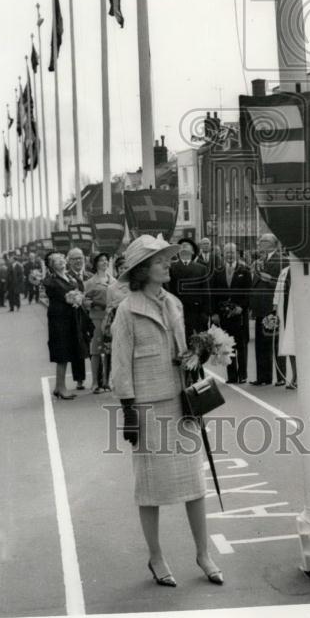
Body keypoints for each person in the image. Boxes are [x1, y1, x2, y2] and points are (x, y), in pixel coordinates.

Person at [111, 234, 223, 588]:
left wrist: (197, 356)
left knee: (194, 483)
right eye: (160, 261)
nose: (167, 265)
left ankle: (203, 553)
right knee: (150, 488)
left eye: (166, 260)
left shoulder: (174, 303)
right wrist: (128, 410)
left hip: (180, 403)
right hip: (147, 408)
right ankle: (156, 557)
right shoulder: (127, 310)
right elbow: (120, 365)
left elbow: (181, 351)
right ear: (143, 270)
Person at [43, 251, 87, 400]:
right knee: (62, 352)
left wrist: (79, 298)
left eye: (62, 258)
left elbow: (79, 289)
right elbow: (60, 293)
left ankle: (58, 386)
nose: (61, 261)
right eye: (56, 260)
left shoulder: (69, 277)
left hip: (70, 318)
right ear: (51, 265)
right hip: (59, 319)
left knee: (67, 351)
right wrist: (72, 298)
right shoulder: (51, 280)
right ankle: (61, 388)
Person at [210, 242, 251, 384]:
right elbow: (213, 294)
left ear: (237, 254)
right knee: (226, 345)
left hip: (239, 314)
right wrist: (214, 313)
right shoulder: (217, 271)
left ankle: (243, 375)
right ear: (223, 254)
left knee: (242, 345)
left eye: (232, 252)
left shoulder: (245, 270)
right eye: (227, 252)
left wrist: (242, 307)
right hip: (223, 316)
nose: (230, 255)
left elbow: (248, 292)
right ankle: (232, 376)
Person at [249, 234, 285, 385]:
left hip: (272, 306)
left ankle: (281, 376)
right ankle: (263, 377)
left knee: (275, 343)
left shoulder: (281, 260)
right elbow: (254, 284)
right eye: (260, 241)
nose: (260, 244)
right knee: (260, 344)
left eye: (264, 241)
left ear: (273, 244)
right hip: (259, 307)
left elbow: (285, 282)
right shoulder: (259, 261)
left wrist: (270, 279)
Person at [167, 238, 210, 340]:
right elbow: (168, 291)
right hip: (177, 313)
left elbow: (206, 292)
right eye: (181, 245)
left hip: (197, 314)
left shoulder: (201, 268)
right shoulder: (171, 268)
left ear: (193, 251)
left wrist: (206, 313)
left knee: (197, 346)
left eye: (187, 245)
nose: (184, 246)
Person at [85, 253, 115, 393]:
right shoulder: (91, 282)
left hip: (110, 319)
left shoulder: (113, 281)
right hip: (96, 319)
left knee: (109, 350)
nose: (104, 262)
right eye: (101, 260)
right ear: (95, 263)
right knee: (96, 350)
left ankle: (106, 382)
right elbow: (84, 301)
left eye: (106, 260)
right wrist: (95, 304)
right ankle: (95, 382)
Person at [65, 248, 91, 388]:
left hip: (91, 316)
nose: (78, 261)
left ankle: (98, 380)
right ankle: (79, 380)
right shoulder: (66, 277)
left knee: (94, 347)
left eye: (80, 258)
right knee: (77, 347)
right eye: (74, 259)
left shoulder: (90, 276)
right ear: (68, 261)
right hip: (75, 317)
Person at [273, 266, 298, 388]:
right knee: (290, 346)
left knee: (300, 348)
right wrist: (274, 308)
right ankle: (295, 376)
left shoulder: (304, 269)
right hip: (285, 312)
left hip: (299, 315)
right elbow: (278, 292)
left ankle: (301, 378)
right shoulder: (284, 272)